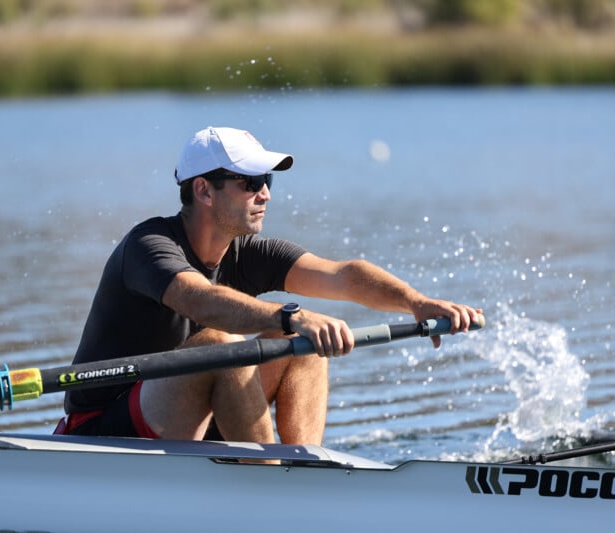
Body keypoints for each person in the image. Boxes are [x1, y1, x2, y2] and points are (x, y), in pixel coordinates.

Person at [57, 126, 480, 446]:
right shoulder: (150, 245)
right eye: (251, 183)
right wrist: (294, 315)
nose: (265, 195)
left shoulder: (250, 253)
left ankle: (301, 471)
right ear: (203, 190)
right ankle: (271, 479)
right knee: (223, 343)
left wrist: (416, 302)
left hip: (185, 418)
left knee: (297, 344)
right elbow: (200, 300)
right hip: (102, 430)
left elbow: (344, 275)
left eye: (268, 182)